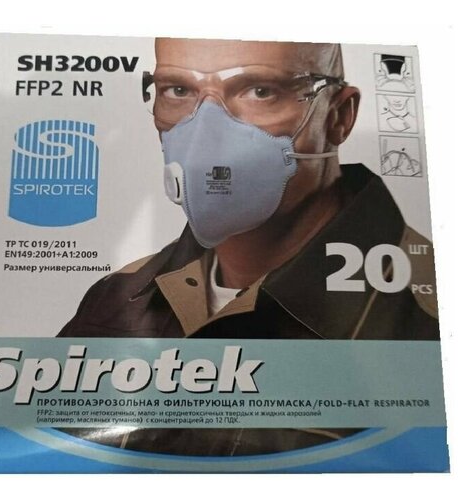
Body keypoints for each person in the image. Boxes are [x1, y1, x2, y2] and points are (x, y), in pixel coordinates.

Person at [58, 38, 439, 455]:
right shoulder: (118, 298)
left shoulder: (428, 312)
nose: (206, 132)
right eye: (178, 90)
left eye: (260, 91)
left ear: (339, 116)